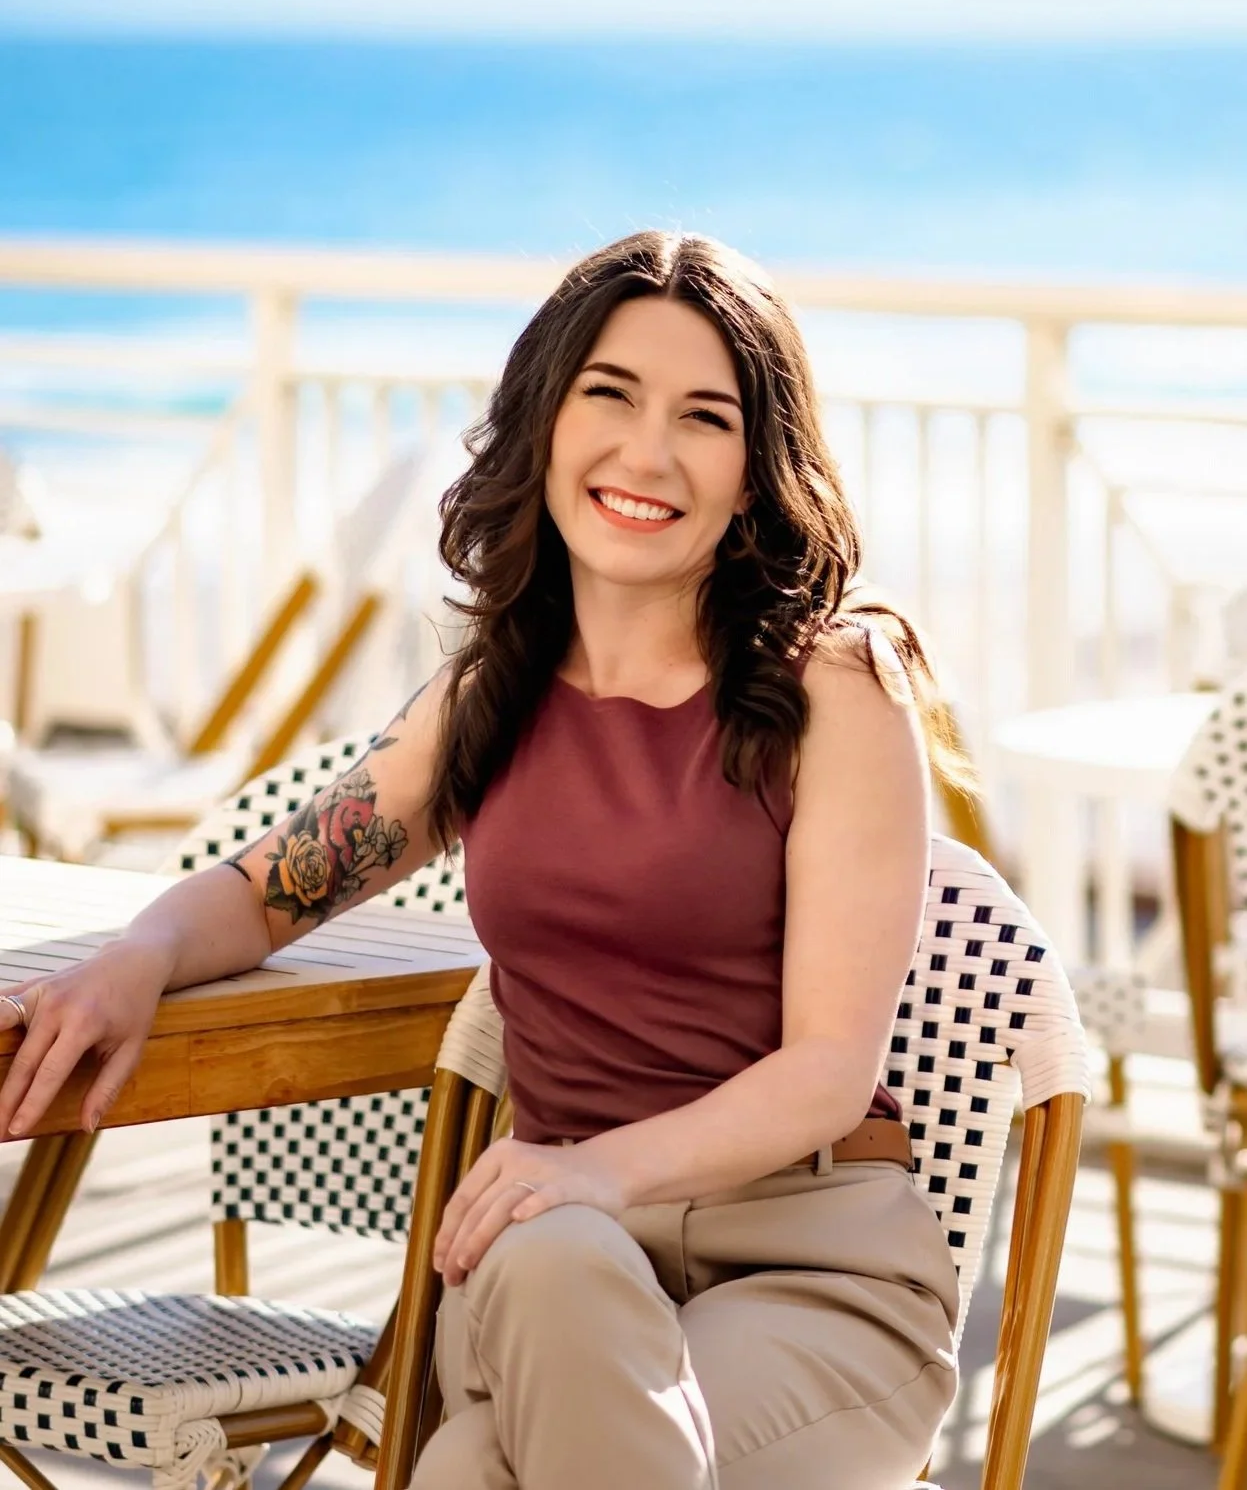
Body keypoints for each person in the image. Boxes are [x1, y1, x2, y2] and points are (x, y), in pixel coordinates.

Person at [0, 232, 970, 1490]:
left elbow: (827, 1072)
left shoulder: (836, 683)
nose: (646, 453)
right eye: (607, 396)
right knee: (550, 1263)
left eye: (704, 417)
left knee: (470, 1469)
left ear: (754, 471)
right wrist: (142, 952)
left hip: (804, 1268)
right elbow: (263, 889)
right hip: (544, 1267)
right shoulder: (488, 699)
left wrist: (585, 1171)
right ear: (544, 421)